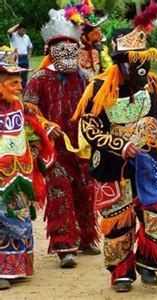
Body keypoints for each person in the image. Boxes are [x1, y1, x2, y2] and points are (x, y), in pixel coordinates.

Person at [72, 2, 157, 293]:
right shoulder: (98, 88)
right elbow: (89, 126)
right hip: (112, 165)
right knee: (118, 219)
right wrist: (118, 145)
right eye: (135, 62)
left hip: (150, 159)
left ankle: (148, 262)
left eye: (145, 61)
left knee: (156, 211)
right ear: (121, 63)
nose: (141, 68)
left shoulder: (153, 85)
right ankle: (121, 272)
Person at [23, 8, 100, 269]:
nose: (68, 53)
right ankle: (65, 245)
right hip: (54, 147)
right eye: (62, 49)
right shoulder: (40, 79)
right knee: (60, 191)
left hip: (81, 145)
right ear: (51, 52)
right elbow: (29, 110)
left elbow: (93, 107)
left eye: (72, 48)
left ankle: (88, 237)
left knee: (86, 190)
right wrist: (45, 126)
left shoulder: (83, 77)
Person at [0, 46, 54, 290]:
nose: (20, 87)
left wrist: (41, 142)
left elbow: (33, 131)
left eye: (20, 82)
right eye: (13, 83)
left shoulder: (21, 108)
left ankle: (18, 267)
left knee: (20, 216)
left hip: (19, 174)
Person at [7, 23, 32, 91]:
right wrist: (17, 25)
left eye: (24, 29)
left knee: (24, 74)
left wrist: (29, 56)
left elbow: (30, 47)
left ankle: (23, 89)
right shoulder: (13, 36)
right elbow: (9, 31)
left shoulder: (27, 37)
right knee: (14, 74)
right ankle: (14, 89)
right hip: (14, 57)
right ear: (17, 29)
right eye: (21, 28)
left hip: (24, 57)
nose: (23, 30)